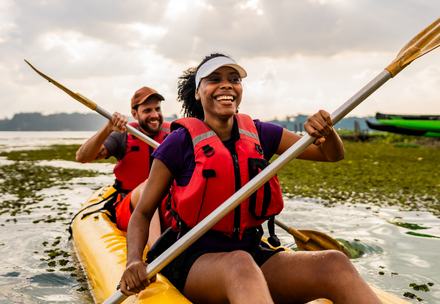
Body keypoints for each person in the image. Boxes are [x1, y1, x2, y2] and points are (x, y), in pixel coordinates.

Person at [120, 54, 382, 304]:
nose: (226, 85)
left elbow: (329, 155)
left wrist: (328, 132)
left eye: (234, 79)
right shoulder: (179, 142)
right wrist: (134, 260)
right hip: (192, 259)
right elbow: (142, 212)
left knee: (333, 262)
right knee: (239, 264)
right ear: (198, 92)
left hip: (251, 251)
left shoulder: (260, 133)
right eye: (214, 79)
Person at [76, 87, 171, 235]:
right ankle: (156, 254)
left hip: (166, 206)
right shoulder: (123, 135)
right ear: (134, 114)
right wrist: (108, 129)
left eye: (157, 109)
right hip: (130, 207)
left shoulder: (173, 134)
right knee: (149, 188)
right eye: (147, 111)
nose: (155, 115)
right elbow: (82, 157)